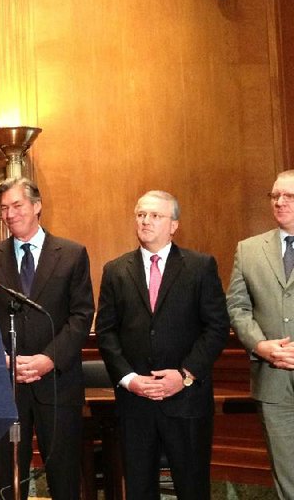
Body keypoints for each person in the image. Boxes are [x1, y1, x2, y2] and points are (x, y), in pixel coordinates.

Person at [95, 190, 229, 500]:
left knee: (193, 488)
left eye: (155, 215)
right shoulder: (116, 270)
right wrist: (129, 380)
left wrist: (183, 375)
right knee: (139, 489)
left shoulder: (200, 266)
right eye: (141, 214)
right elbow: (106, 332)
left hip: (187, 401)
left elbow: (217, 327)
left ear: (174, 225)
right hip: (135, 404)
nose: (145, 221)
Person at [0, 178, 94, 500]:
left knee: (64, 477)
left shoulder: (71, 254)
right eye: (4, 208)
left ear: (37, 206)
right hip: (6, 383)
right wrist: (1, 359)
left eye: (17, 205)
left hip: (57, 382)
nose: (10, 214)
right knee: (8, 478)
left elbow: (81, 316)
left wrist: (48, 359)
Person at [227, 169, 294, 499]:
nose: (280, 202)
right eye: (275, 196)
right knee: (287, 477)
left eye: (289, 196)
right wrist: (260, 345)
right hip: (272, 381)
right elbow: (237, 307)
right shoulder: (249, 249)